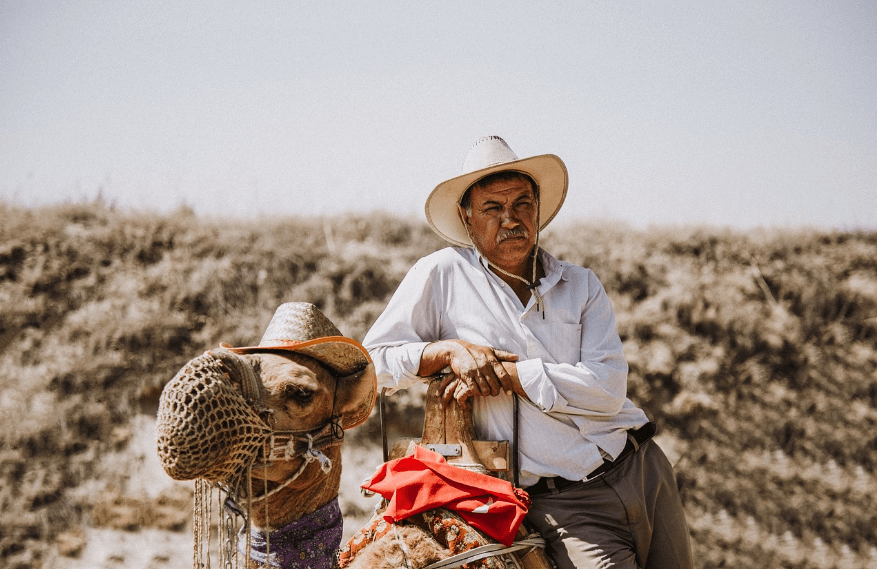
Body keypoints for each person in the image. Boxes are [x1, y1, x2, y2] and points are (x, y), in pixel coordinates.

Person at [362, 135, 693, 569]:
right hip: (565, 507)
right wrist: (446, 352)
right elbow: (373, 363)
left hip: (643, 467)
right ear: (466, 217)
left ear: (537, 209)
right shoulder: (443, 274)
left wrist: (511, 374)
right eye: (492, 208)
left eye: (522, 204)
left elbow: (608, 389)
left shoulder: (580, 284)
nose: (511, 218)